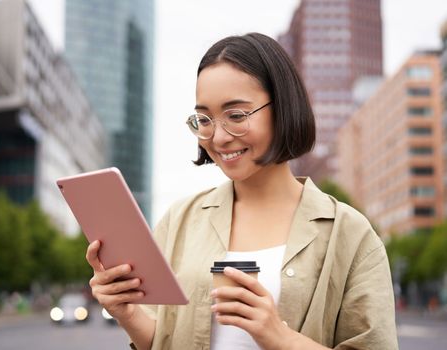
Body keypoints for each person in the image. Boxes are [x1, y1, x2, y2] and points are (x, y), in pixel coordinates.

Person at [86, 32, 398, 350]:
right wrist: (126, 313)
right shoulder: (179, 220)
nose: (218, 137)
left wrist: (279, 336)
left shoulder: (351, 235)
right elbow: (162, 340)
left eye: (236, 115)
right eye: (205, 118)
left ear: (283, 108)